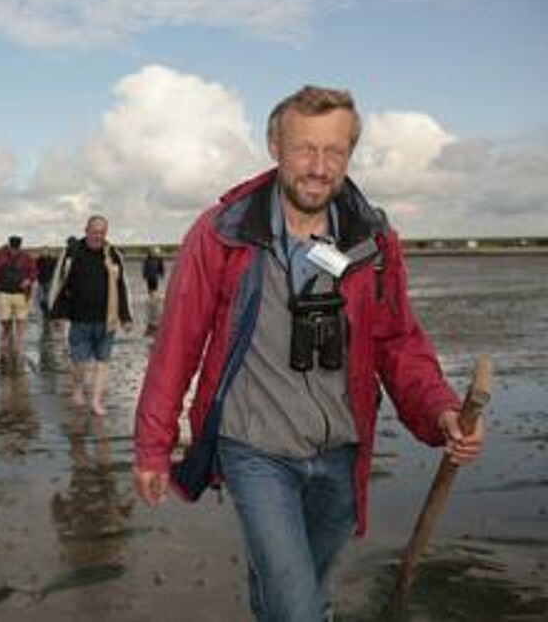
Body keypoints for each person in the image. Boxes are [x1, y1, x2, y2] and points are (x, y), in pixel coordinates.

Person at [132, 85, 485, 622]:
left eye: (335, 151)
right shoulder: (223, 234)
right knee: (299, 608)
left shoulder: (373, 240)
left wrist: (441, 411)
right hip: (255, 449)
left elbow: (398, 342)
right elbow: (177, 344)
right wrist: (153, 446)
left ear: (349, 154)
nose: (318, 167)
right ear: (275, 145)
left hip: (342, 451)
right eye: (304, 149)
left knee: (301, 589)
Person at [49, 215, 132, 416]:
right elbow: (60, 283)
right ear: (86, 230)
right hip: (79, 319)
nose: (98, 236)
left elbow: (121, 287)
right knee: (80, 362)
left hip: (107, 319)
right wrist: (57, 315)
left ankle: (96, 401)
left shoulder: (113, 254)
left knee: (103, 361)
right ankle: (78, 388)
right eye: (95, 231)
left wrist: (126, 317)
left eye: (102, 232)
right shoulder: (72, 252)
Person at [0, 235, 37, 372]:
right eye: (13, 248)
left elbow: (33, 272)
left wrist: (28, 280)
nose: (15, 251)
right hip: (4, 295)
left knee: (20, 326)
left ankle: (18, 353)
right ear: (9, 246)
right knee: (6, 326)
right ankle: (3, 353)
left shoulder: (25, 257)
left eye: (17, 249)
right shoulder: (0, 256)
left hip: (20, 295)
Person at [35, 251, 57, 322]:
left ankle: (47, 310)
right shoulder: (39, 260)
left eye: (46, 251)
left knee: (48, 295)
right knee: (41, 296)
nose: (45, 253)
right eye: (44, 251)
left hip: (49, 280)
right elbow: (36, 269)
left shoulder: (53, 260)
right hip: (41, 280)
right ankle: (45, 309)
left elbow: (55, 269)